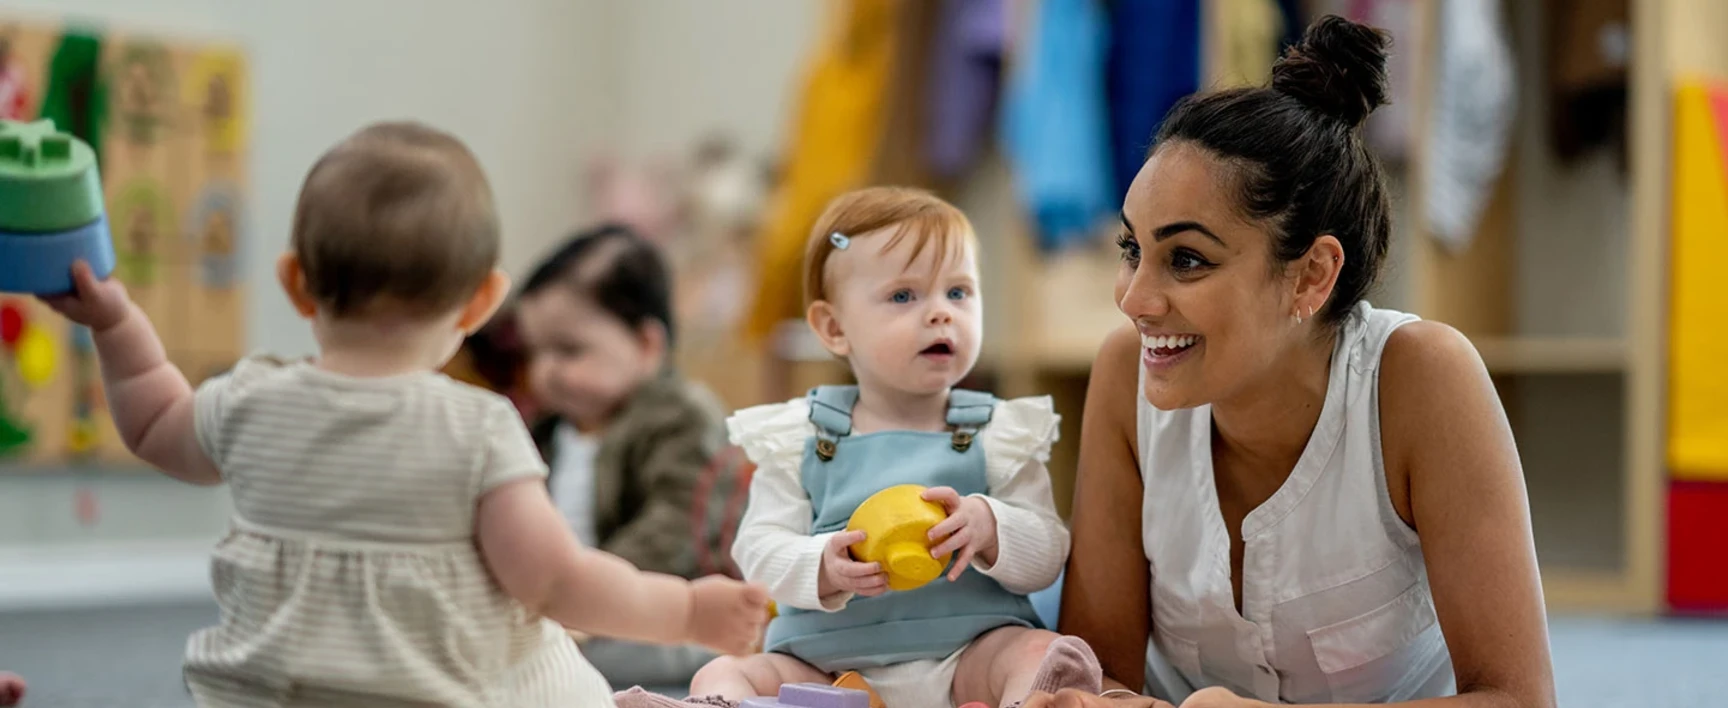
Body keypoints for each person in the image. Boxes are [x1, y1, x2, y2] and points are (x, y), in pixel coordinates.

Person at [42, 121, 768, 707]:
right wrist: (686, 612)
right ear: (483, 302)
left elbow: (150, 420)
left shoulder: (249, 398)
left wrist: (115, 324)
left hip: (253, 697)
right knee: (543, 648)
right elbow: (555, 582)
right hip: (430, 694)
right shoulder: (479, 429)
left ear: (297, 283)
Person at [1026, 16, 1558, 708]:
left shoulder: (1424, 379)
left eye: (1185, 259)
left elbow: (1517, 698)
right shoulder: (1124, 371)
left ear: (1311, 276)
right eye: (1133, 250)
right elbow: (1101, 672)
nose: (1134, 298)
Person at [652, 187, 1102, 708]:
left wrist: (991, 525)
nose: (940, 314)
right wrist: (822, 563)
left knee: (1039, 652)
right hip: (825, 667)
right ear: (834, 327)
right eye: (904, 296)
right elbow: (758, 550)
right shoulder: (803, 436)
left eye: (958, 292)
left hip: (968, 654)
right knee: (725, 672)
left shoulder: (998, 433)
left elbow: (1048, 552)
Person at [511, 223, 736, 687]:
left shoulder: (682, 416)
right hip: (569, 610)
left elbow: (674, 528)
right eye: (536, 352)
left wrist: (586, 599)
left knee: (678, 658)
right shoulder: (548, 430)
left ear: (647, 345)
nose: (545, 370)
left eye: (569, 350)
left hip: (661, 613)